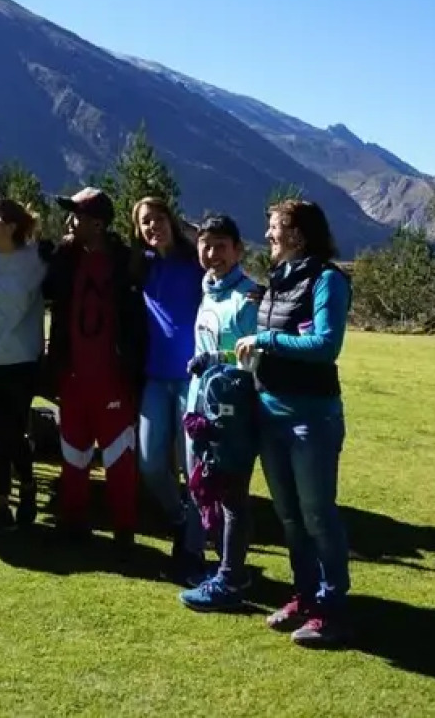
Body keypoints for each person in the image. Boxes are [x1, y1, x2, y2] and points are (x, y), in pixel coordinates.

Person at [235, 199, 354, 649]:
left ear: (299, 235)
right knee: (289, 516)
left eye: (275, 227)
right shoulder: (279, 279)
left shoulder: (327, 280)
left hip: (311, 419)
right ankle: (305, 596)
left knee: (318, 515)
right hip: (271, 414)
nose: (268, 234)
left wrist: (265, 339)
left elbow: (325, 345)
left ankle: (332, 609)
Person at [42, 187, 149, 557]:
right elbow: (46, 291)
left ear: (99, 224)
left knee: (119, 458)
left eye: (78, 216)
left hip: (113, 380)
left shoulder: (127, 262)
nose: (70, 222)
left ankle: (124, 531)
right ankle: (73, 522)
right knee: (73, 454)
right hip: (72, 377)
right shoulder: (66, 258)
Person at [178, 213, 264, 612]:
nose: (212, 254)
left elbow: (256, 357)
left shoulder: (248, 297)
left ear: (238, 250)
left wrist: (218, 358)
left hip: (234, 414)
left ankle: (231, 578)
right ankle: (223, 567)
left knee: (233, 496)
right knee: (205, 488)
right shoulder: (208, 289)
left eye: (221, 247)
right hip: (200, 408)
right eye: (205, 246)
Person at [132, 195, 209, 584]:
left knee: (191, 466)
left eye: (158, 218)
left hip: (191, 378)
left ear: (171, 220)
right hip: (155, 377)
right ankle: (181, 520)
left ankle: (192, 550)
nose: (153, 226)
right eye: (145, 221)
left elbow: (221, 262)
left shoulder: (194, 262)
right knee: (149, 463)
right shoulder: (143, 265)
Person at [0, 197, 48, 533]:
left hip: (21, 360)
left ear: (12, 226)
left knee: (13, 432)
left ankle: (27, 485)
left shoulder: (37, 260)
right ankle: (2, 503)